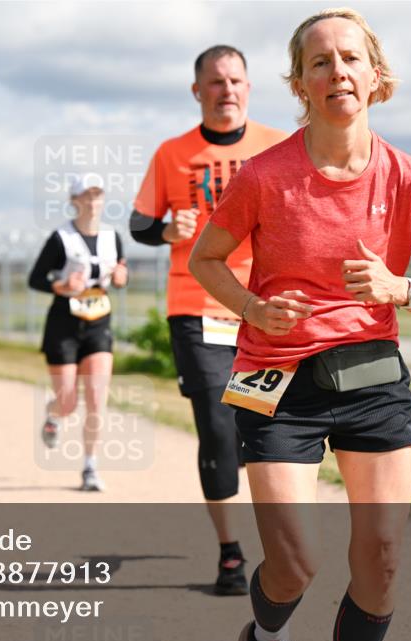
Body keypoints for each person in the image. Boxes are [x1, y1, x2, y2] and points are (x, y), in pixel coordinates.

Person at [189, 9, 411, 641]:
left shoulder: (407, 177)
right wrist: (254, 306)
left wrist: (403, 288)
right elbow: (207, 259)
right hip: (277, 378)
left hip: (372, 375)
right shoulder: (263, 176)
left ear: (375, 75)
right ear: (301, 84)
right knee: (294, 563)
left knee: (383, 559)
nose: (337, 71)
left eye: (350, 58)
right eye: (320, 62)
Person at [130, 45, 288, 595]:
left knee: (262, 426)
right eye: (215, 82)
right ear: (197, 91)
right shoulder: (173, 154)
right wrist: (166, 231)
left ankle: (283, 547)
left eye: (236, 80)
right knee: (219, 429)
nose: (227, 90)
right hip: (196, 308)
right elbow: (139, 224)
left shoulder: (277, 146)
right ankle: (231, 555)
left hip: (264, 308)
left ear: (249, 87)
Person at [29, 175, 128, 492]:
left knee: (97, 400)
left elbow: (120, 272)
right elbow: (35, 279)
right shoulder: (61, 238)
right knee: (69, 401)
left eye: (97, 195)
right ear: (74, 201)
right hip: (64, 324)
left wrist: (124, 276)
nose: (92, 201)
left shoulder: (113, 237)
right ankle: (54, 415)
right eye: (86, 195)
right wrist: (61, 286)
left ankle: (90, 467)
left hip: (99, 322)